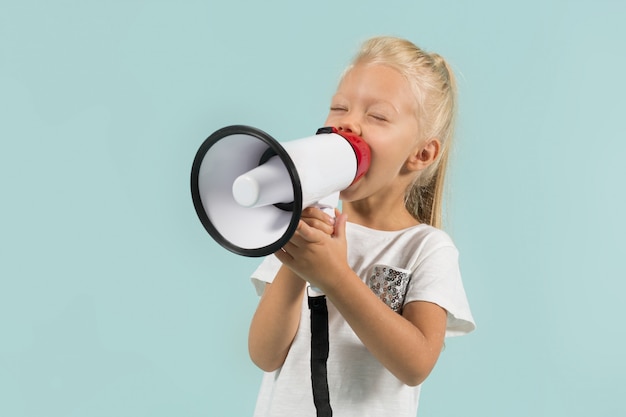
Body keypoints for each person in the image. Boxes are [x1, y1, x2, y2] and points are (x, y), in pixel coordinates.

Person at [247, 36, 476, 417]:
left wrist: (335, 276)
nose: (348, 122)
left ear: (421, 153)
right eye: (339, 108)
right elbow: (265, 355)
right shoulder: (304, 225)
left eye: (378, 116)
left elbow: (415, 364)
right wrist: (298, 263)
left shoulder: (425, 248)